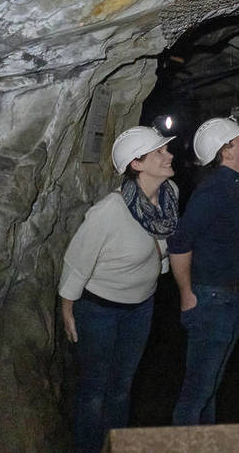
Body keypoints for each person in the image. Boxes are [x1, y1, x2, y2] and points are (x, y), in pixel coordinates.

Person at [59, 126, 177, 453]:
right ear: (137, 164)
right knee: (95, 388)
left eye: (166, 150)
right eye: (159, 152)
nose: (168, 155)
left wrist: (160, 267)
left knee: (122, 387)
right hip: (99, 309)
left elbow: (163, 242)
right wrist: (68, 308)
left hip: (140, 307)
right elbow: (77, 259)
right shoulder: (110, 211)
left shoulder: (170, 195)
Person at [167, 116, 239, 425]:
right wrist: (186, 294)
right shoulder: (214, 189)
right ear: (227, 151)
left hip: (229, 300)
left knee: (209, 391)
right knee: (197, 394)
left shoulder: (232, 185)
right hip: (212, 302)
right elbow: (179, 243)